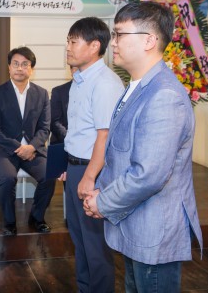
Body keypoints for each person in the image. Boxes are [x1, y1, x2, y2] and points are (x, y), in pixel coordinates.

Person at [84, 1, 203, 292]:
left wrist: (103, 202)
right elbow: (122, 156)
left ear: (149, 40)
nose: (113, 42)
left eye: (120, 34)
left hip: (154, 230)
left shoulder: (164, 95)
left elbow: (149, 174)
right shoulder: (139, 86)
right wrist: (102, 191)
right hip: (136, 221)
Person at [63, 17, 125, 293]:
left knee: (95, 245)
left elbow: (105, 135)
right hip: (76, 167)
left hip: (93, 170)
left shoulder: (105, 83)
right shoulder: (79, 80)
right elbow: (80, 131)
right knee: (79, 240)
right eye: (68, 41)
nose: (68, 47)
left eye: (74, 41)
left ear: (94, 46)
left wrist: (89, 177)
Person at [0, 46, 56, 236]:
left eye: (25, 64)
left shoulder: (42, 94)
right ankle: (10, 222)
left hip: (33, 150)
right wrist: (20, 148)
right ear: (9, 67)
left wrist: (32, 147)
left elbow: (44, 128)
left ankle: (37, 217)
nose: (20, 68)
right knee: (8, 178)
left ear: (31, 69)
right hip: (5, 150)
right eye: (15, 64)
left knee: (49, 175)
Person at [49, 65, 78, 145]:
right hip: (62, 142)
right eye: (76, 68)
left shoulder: (95, 90)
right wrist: (69, 139)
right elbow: (54, 121)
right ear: (71, 70)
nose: (80, 72)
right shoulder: (59, 91)